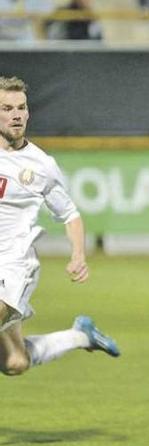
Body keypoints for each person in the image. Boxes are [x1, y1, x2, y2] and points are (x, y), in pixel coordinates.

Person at [0, 76, 120, 378]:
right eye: (7, 108)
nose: (16, 114)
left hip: (13, 266)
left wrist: (78, 254)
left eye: (21, 107)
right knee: (15, 362)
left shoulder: (41, 165)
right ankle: (81, 336)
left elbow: (70, 214)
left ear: (28, 112)